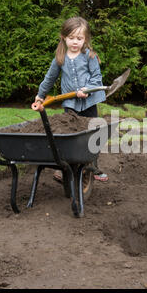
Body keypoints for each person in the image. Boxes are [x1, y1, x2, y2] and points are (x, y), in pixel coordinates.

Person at [35, 16, 108, 182]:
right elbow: (49, 78)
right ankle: (65, 169)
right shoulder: (60, 58)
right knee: (70, 136)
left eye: (79, 38)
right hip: (71, 104)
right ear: (64, 37)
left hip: (88, 103)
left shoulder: (89, 56)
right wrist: (40, 96)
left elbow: (96, 78)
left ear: (85, 39)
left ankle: (93, 168)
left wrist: (87, 90)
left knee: (92, 134)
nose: (75, 42)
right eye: (71, 38)